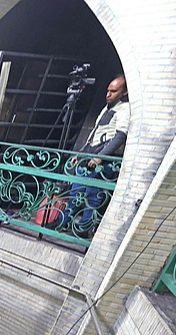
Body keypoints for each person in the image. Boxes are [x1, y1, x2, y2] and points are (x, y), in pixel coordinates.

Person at [61, 75, 130, 235]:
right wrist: (81, 153)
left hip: (102, 159)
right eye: (108, 91)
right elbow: (94, 133)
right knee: (76, 192)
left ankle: (84, 228)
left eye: (113, 91)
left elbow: (119, 136)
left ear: (124, 93)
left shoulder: (125, 110)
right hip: (90, 154)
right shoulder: (107, 108)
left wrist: (100, 157)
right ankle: (64, 222)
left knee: (93, 195)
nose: (108, 94)